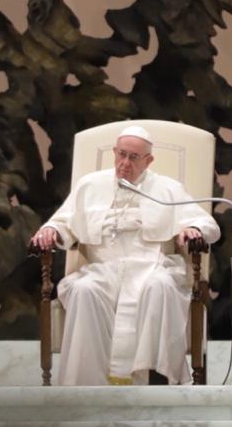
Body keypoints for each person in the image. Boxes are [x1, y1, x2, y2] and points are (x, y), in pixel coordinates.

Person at [30, 125, 220, 385]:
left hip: (152, 267)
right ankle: (85, 389)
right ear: (114, 152)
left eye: (133, 157)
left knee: (160, 286)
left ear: (148, 161)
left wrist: (193, 229)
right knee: (84, 290)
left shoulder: (168, 189)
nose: (125, 163)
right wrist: (50, 230)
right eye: (121, 154)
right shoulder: (90, 185)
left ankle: (156, 380)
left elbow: (207, 225)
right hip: (102, 269)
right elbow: (63, 222)